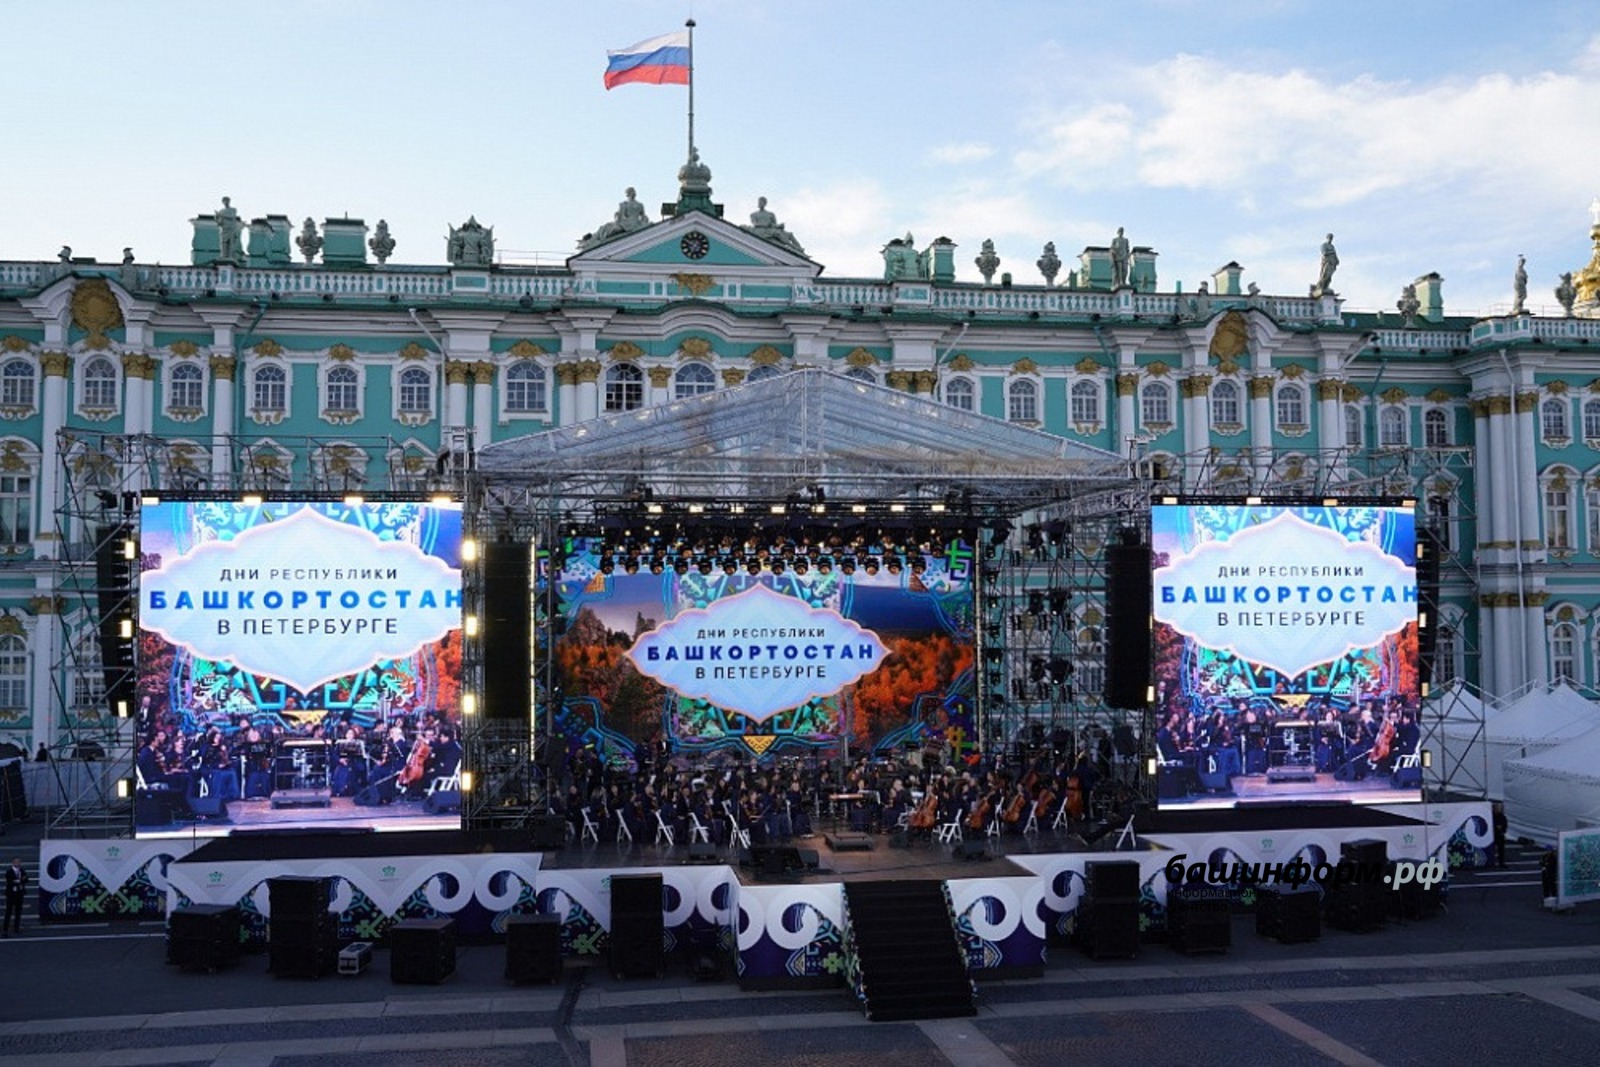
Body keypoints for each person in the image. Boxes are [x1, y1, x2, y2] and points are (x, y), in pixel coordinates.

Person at [4, 857, 24, 936]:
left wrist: (18, 881)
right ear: (13, 863)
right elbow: (9, 881)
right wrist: (19, 881)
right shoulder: (9, 872)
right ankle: (5, 929)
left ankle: (16, 928)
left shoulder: (22, 871)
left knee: (18, 912)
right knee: (8, 912)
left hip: (19, 893)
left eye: (19, 862)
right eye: (16, 862)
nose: (17, 863)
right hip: (11, 894)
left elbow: (26, 879)